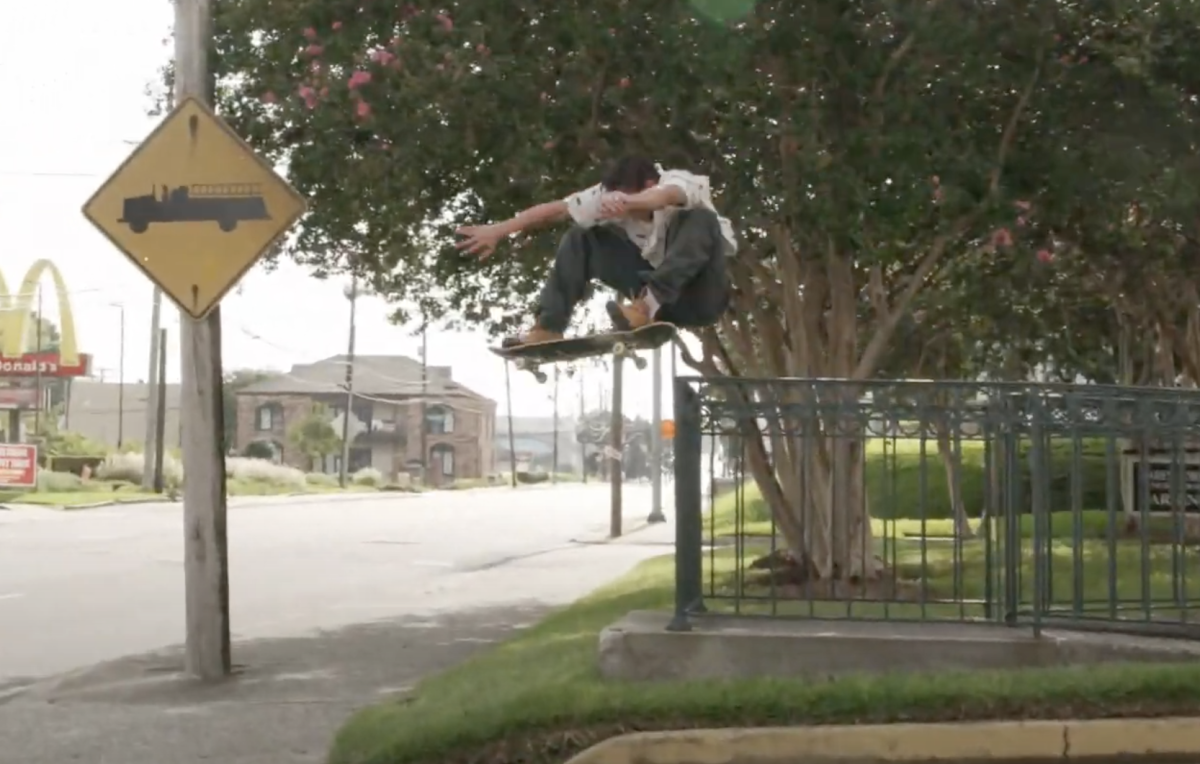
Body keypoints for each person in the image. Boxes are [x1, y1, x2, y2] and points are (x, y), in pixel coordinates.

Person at [455, 155, 737, 346]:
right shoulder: (605, 197)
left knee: (700, 219)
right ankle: (549, 327)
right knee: (582, 237)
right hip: (655, 301)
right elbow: (555, 211)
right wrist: (498, 230)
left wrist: (631, 202)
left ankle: (646, 306)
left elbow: (665, 196)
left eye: (630, 201)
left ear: (648, 185)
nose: (625, 214)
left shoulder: (678, 182)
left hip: (703, 296)